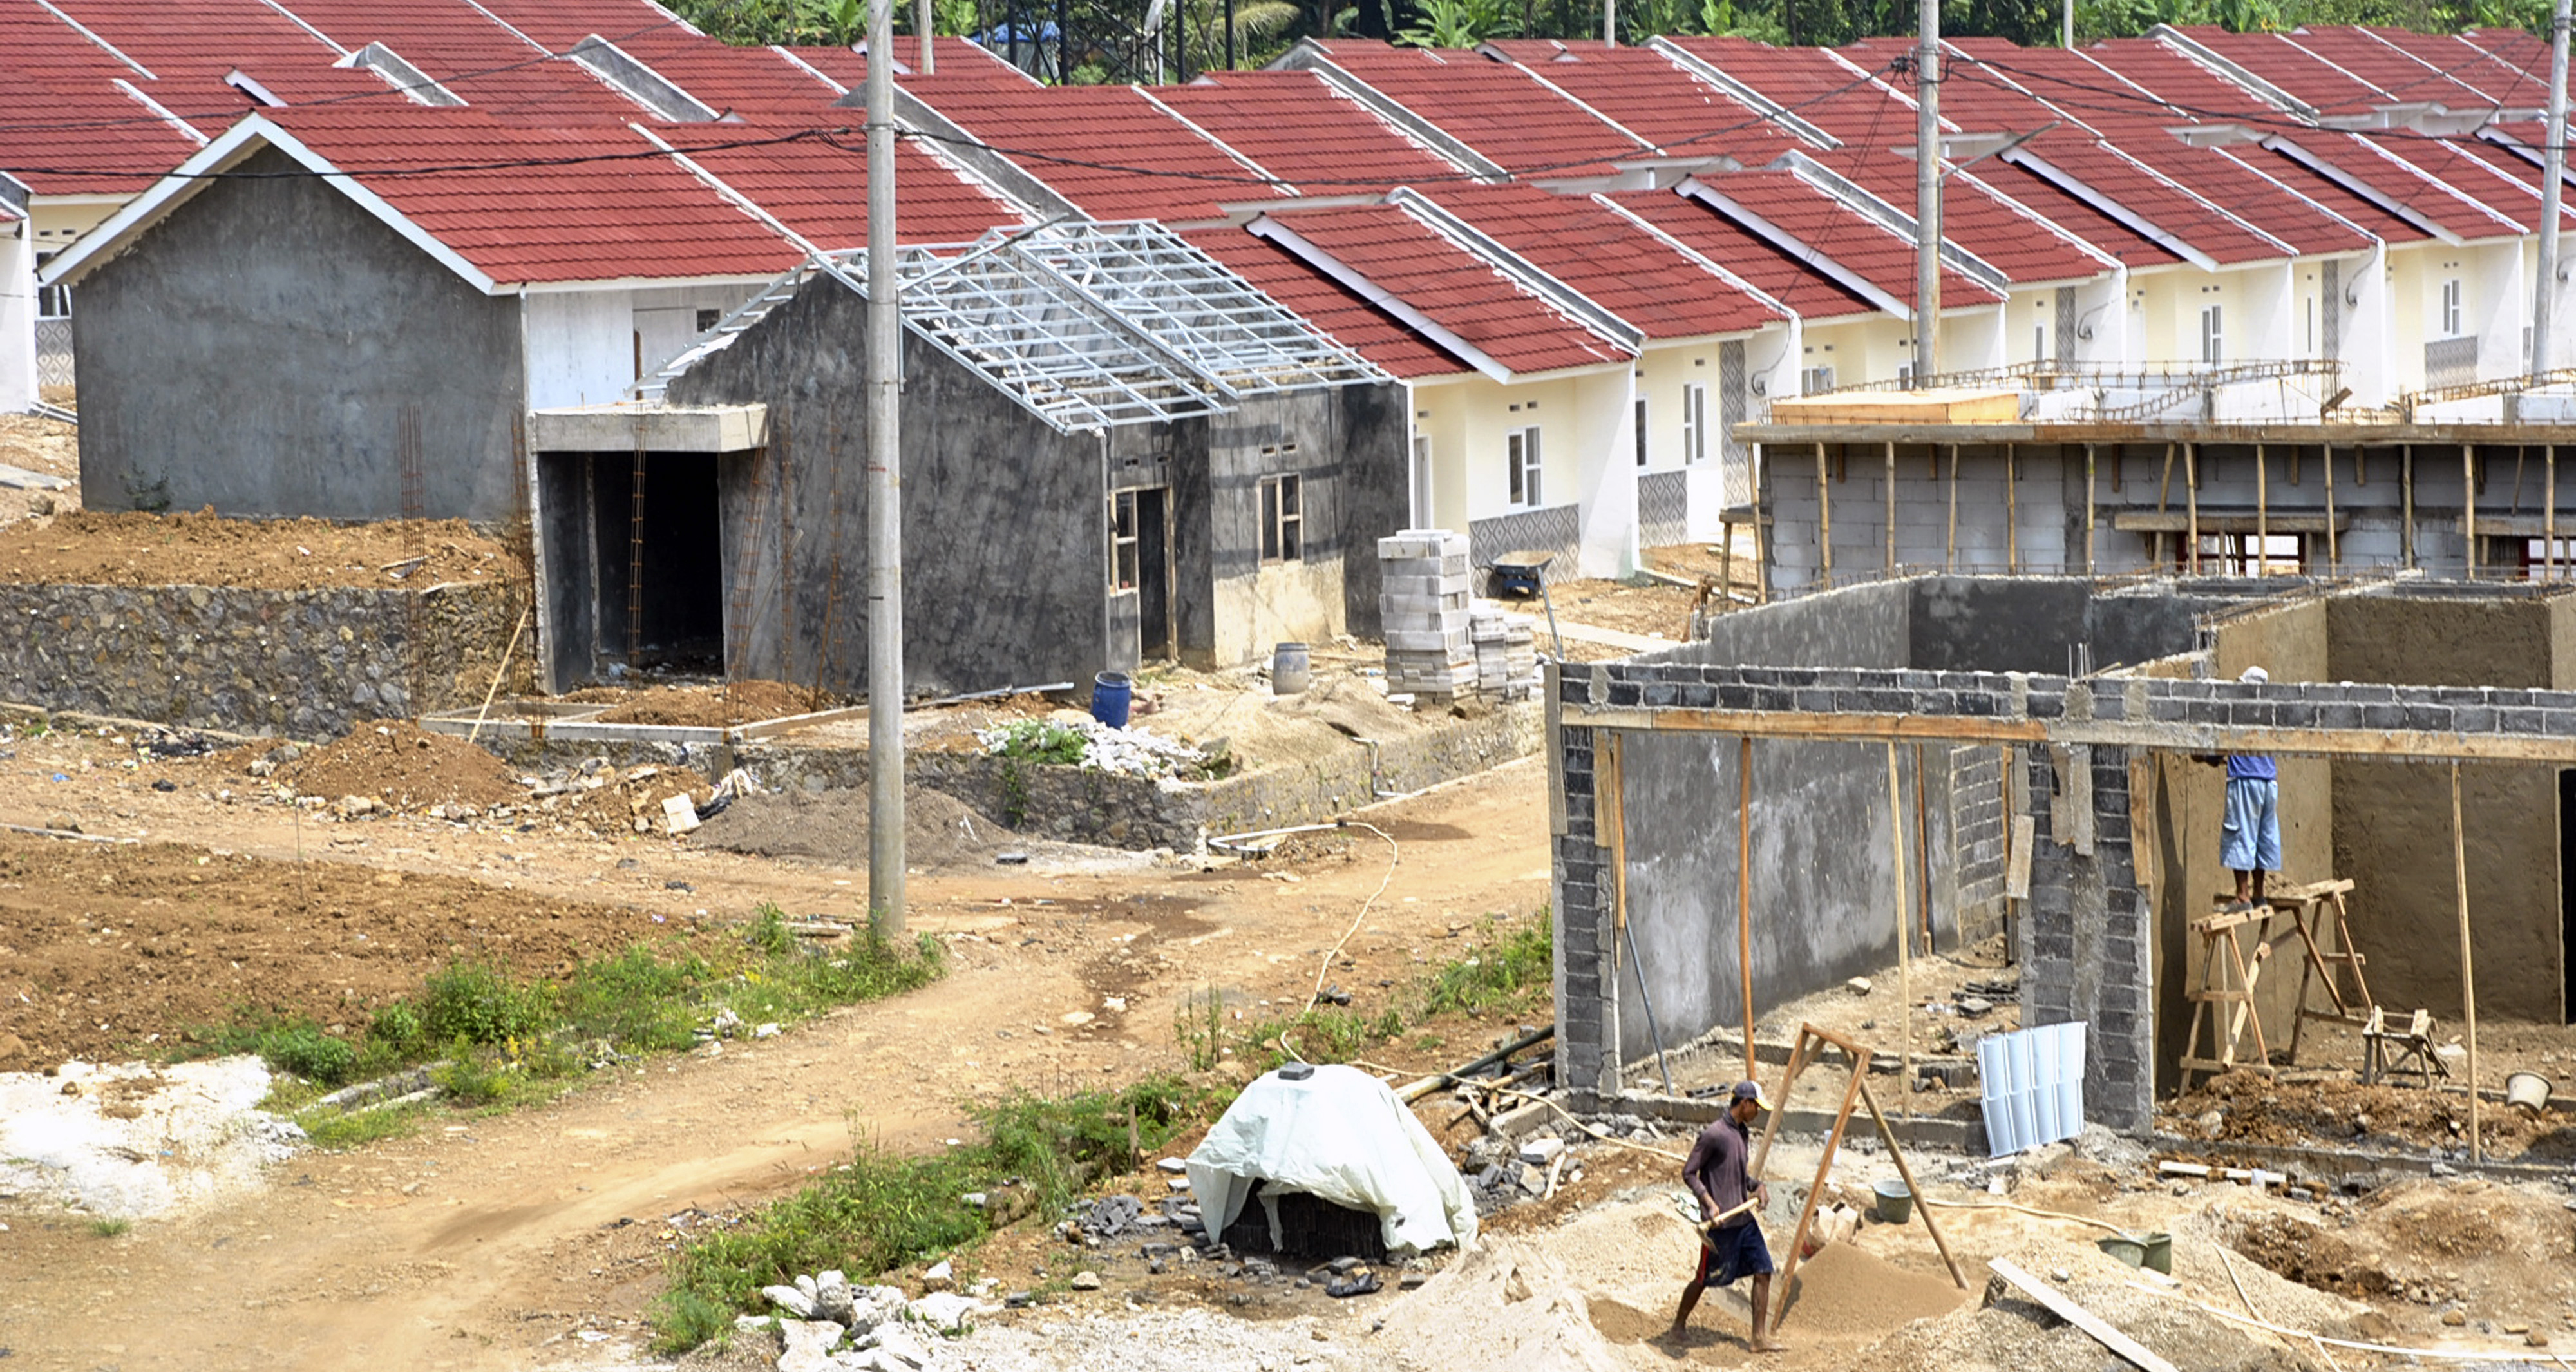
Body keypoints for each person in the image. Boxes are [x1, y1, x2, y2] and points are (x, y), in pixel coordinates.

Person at [1669, 1080, 1783, 1353]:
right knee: (1704, 1278)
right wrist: (1708, 1202)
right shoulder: (1715, 1134)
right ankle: (1678, 1325)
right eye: (1756, 1107)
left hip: (1743, 1221)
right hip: (1721, 1227)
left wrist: (1757, 1187)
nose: (1758, 1112)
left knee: (1764, 1270)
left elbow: (1738, 1175)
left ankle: (1758, 1338)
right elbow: (1689, 1172)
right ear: (1744, 1104)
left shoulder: (1741, 1133)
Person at [2200, 665, 2280, 912]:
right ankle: (2259, 894)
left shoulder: (2240, 711)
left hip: (2245, 781)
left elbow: (2223, 744)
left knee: (2241, 835)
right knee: (2262, 838)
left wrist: (2206, 757)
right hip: (2269, 783)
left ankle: (2243, 897)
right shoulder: (2270, 713)